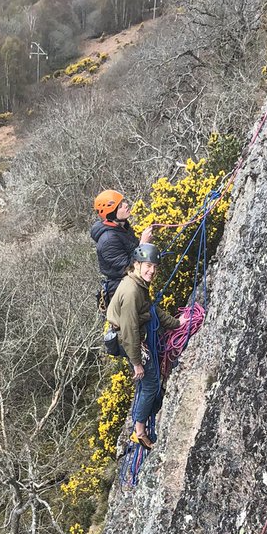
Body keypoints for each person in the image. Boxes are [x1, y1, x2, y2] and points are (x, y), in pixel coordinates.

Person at [105, 243, 182, 449]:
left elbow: (152, 310)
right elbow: (129, 330)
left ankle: (149, 408)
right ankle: (139, 431)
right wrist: (137, 363)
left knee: (151, 379)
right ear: (137, 264)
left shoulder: (137, 282)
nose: (152, 271)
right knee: (150, 383)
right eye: (148, 265)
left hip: (131, 334)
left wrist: (177, 323)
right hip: (127, 339)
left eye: (155, 267)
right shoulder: (132, 291)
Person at [91, 190, 155, 307]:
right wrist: (143, 244)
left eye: (123, 202)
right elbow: (127, 268)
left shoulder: (123, 227)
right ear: (111, 213)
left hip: (133, 286)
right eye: (120, 206)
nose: (126, 205)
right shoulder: (108, 240)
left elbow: (132, 252)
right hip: (121, 292)